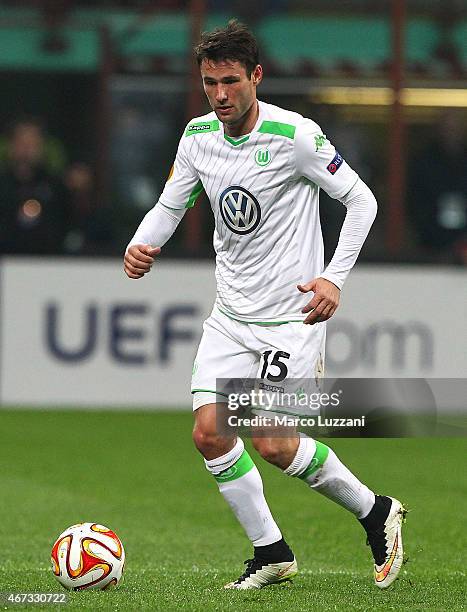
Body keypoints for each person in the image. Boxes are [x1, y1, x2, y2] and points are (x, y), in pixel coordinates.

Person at [124, 21, 406, 590]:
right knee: (210, 433)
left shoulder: (296, 136)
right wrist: (141, 241)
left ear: (256, 76)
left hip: (290, 319)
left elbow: (362, 201)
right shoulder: (198, 136)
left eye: (231, 81)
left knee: (271, 441)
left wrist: (333, 279)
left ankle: (375, 510)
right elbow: (168, 206)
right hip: (230, 318)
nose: (220, 95)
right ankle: (271, 551)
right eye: (209, 83)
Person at [0, 117, 70, 255]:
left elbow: (64, 227)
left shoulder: (56, 187)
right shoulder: (3, 185)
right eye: (21, 143)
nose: (26, 149)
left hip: (48, 263)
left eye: (32, 143)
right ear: (11, 146)